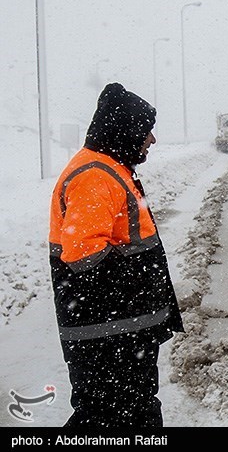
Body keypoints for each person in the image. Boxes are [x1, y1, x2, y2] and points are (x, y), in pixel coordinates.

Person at [48, 82, 184, 427]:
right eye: (146, 130)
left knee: (119, 416)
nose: (151, 139)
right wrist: (138, 291)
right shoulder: (94, 176)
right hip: (108, 339)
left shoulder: (110, 168)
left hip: (118, 333)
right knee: (110, 419)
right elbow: (83, 257)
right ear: (125, 130)